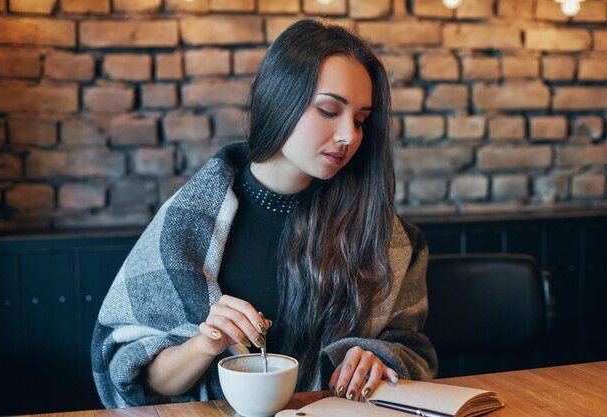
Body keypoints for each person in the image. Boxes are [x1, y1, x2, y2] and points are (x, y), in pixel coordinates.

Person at [91, 18, 437, 408]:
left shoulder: (385, 237)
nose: (349, 136)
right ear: (279, 100)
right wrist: (207, 342)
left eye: (360, 120)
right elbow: (141, 376)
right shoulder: (186, 224)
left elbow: (413, 350)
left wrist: (378, 358)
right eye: (328, 110)